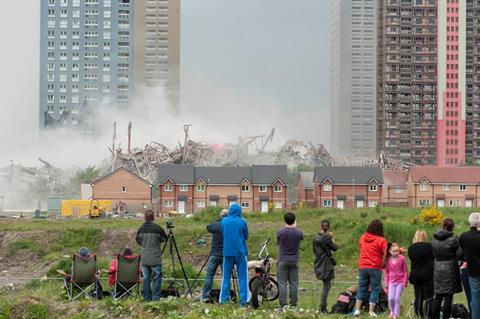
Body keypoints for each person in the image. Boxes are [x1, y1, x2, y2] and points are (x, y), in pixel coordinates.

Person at [353, 219, 387, 317]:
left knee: (362, 287)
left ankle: (357, 310)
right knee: (375, 288)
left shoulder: (362, 237)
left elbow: (361, 248)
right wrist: (383, 265)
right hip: (375, 266)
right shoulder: (381, 240)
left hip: (363, 266)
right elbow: (384, 254)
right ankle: (371, 311)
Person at [219, 203, 250, 307]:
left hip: (227, 252)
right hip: (241, 252)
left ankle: (224, 301)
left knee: (226, 277)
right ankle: (243, 303)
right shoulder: (242, 222)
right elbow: (246, 236)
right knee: (243, 278)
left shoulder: (223, 221)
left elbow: (222, 234)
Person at [431, 218, 463, 319]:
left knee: (438, 296)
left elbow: (432, 252)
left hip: (437, 267)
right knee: (449, 296)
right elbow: (459, 254)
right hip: (450, 268)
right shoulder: (454, 239)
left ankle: (434, 317)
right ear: (452, 226)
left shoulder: (434, 239)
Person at [136, 210, 167, 301]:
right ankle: (156, 298)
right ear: (153, 217)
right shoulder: (158, 228)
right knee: (157, 277)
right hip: (155, 257)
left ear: (145, 218)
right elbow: (164, 239)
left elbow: (138, 240)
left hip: (145, 257)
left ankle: (146, 298)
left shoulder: (141, 229)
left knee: (146, 278)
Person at [276, 212, 304, 308]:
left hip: (282, 260)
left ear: (284, 220)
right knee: (294, 283)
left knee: (282, 283)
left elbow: (278, 242)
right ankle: (293, 304)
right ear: (294, 220)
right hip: (294, 260)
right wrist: (295, 227)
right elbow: (300, 238)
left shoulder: (280, 232)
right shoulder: (299, 232)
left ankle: (283, 304)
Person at [201, 209, 228, 302]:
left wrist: (216, 221)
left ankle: (205, 296)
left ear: (221, 216)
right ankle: (225, 297)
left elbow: (208, 227)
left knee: (209, 276)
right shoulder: (228, 226)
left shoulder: (216, 225)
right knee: (226, 276)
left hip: (214, 254)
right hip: (225, 255)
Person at [408, 230, 434, 319]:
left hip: (415, 273)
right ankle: (429, 314)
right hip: (428, 274)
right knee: (429, 296)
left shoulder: (411, 248)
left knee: (418, 295)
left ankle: (418, 313)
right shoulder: (429, 246)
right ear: (425, 236)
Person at [313, 219, 337, 313]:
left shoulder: (315, 238)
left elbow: (314, 251)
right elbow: (335, 248)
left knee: (325, 285)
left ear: (321, 227)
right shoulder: (327, 238)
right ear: (328, 227)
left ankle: (322, 307)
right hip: (326, 264)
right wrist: (331, 238)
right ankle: (322, 307)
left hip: (318, 263)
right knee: (327, 286)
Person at [459, 212, 480, 319]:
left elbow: (463, 251)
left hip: (473, 271)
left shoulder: (464, 237)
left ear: (470, 222)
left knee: (475, 298)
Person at [384, 243, 408, 319]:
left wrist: (405, 281)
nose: (396, 252)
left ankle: (396, 314)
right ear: (390, 251)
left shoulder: (402, 258)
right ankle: (392, 311)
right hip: (391, 282)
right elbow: (386, 272)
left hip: (400, 281)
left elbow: (405, 271)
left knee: (397, 298)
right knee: (391, 298)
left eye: (397, 251)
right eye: (394, 251)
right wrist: (386, 284)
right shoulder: (387, 259)